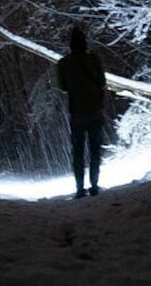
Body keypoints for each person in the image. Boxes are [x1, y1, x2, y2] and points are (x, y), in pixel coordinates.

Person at [56, 26, 107, 198]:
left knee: (77, 151)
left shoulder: (63, 63)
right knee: (95, 150)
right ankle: (94, 185)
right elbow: (102, 82)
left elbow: (62, 87)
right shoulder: (94, 59)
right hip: (95, 109)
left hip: (76, 111)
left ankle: (79, 188)